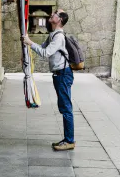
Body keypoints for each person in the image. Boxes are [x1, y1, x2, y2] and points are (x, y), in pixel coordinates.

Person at [22, 9, 75, 151]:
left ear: (60, 20)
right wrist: (28, 44)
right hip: (59, 74)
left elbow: (45, 53)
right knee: (63, 107)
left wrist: (29, 42)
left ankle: (69, 141)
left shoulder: (59, 37)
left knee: (66, 108)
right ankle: (67, 139)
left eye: (55, 14)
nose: (52, 14)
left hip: (63, 74)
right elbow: (41, 48)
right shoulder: (53, 35)